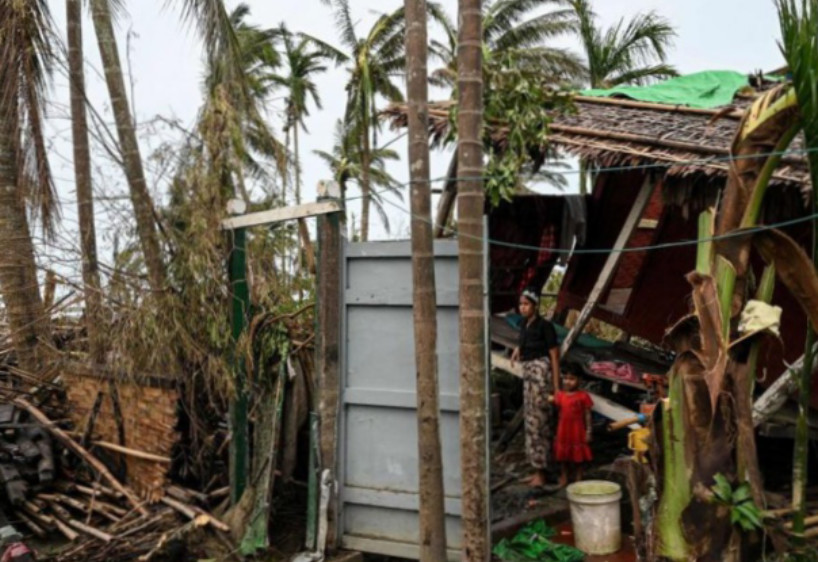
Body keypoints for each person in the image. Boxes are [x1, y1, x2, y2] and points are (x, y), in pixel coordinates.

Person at [510, 287, 560, 488]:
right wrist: (517, 349)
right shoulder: (524, 324)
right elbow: (525, 342)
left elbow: (554, 356)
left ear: (535, 306)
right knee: (530, 423)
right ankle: (535, 470)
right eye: (521, 304)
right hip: (528, 374)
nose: (523, 307)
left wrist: (556, 387)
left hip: (541, 375)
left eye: (526, 304)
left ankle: (543, 472)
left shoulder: (545, 326)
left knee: (540, 423)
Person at [551, 366, 594, 487]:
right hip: (563, 428)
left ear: (579, 380)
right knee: (563, 455)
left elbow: (588, 415)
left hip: (577, 429)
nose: (567, 382)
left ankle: (578, 478)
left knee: (578, 455)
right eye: (565, 378)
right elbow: (556, 412)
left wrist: (589, 431)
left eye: (572, 379)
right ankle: (564, 476)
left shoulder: (583, 396)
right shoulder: (560, 395)